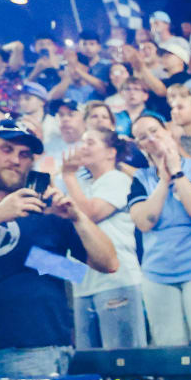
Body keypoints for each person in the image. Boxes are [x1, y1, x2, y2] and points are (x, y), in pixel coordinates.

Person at [0, 118, 118, 377]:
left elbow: (107, 263)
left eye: (25, 154)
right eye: (6, 149)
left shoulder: (49, 208)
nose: (16, 160)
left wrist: (77, 217)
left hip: (34, 349)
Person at [127, 113, 191, 346]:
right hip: (157, 273)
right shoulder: (141, 180)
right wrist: (163, 182)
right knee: (169, 346)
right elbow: (144, 221)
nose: (151, 139)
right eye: (143, 137)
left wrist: (177, 173)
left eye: (154, 131)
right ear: (140, 146)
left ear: (168, 131)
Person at [58, 128, 144, 349]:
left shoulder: (117, 179)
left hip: (117, 280)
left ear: (110, 152)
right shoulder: (84, 185)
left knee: (124, 363)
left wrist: (68, 176)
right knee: (91, 365)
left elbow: (90, 214)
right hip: (83, 285)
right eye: (82, 141)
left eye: (91, 142)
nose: (83, 147)